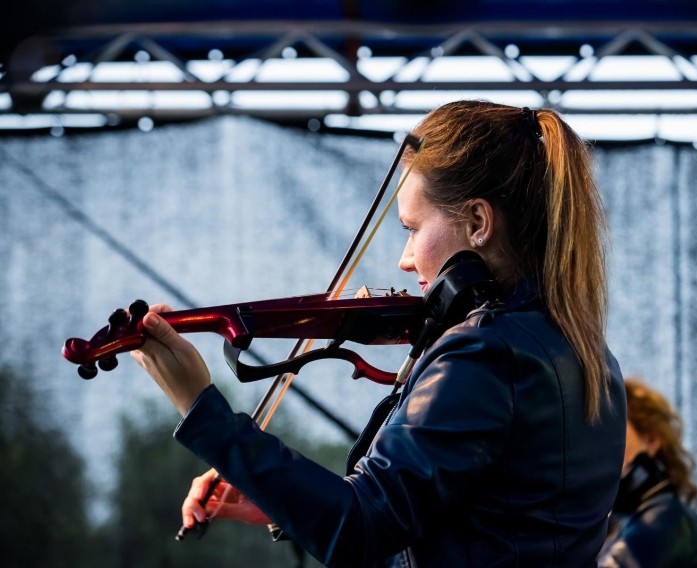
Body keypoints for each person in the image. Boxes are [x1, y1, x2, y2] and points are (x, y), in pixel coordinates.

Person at [130, 100, 627, 567]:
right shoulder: (588, 356)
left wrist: (203, 411)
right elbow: (468, 523)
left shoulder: (485, 353)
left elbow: (361, 526)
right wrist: (285, 502)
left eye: (412, 227)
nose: (405, 259)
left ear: (477, 222)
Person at [597, 376, 697, 568]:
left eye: (614, 428)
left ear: (650, 441)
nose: (602, 443)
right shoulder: (625, 519)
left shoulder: (667, 520)